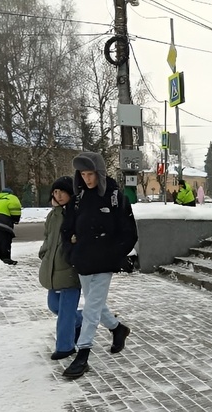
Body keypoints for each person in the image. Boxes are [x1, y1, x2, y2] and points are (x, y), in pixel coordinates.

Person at [61, 152, 138, 379]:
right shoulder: (78, 199)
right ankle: (117, 329)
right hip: (83, 260)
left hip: (105, 261)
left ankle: (83, 354)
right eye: (83, 174)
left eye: (91, 174)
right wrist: (71, 251)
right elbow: (67, 229)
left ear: (100, 173)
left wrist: (113, 253)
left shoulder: (115, 196)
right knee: (96, 303)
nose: (87, 179)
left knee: (91, 308)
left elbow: (128, 232)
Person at [39, 176, 83, 360]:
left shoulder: (77, 212)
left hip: (70, 269)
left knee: (64, 312)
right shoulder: (53, 215)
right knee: (54, 305)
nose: (58, 195)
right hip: (52, 268)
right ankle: (79, 320)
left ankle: (65, 347)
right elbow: (48, 237)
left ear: (70, 193)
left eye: (62, 191)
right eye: (55, 192)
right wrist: (44, 253)